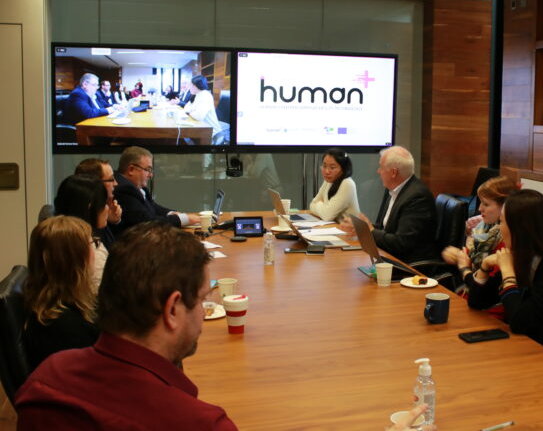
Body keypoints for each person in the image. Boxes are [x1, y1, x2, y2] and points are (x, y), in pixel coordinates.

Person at [16, 220, 435, 431]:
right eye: (203, 299)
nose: (205, 312)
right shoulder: (199, 423)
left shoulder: (44, 382)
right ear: (173, 309)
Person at [463, 189, 543, 369]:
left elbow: (520, 322)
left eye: (503, 222)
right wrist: (484, 267)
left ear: (519, 229)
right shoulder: (522, 257)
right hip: (528, 353)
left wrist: (507, 272)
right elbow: (476, 302)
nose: (499, 228)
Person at [22, 215, 100, 371]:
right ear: (74, 259)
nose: (95, 250)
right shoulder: (65, 329)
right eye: (92, 243)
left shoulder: (61, 305)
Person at [340, 146, 437, 263]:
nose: (378, 171)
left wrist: (370, 231)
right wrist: (364, 228)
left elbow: (402, 243)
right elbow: (386, 230)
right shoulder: (396, 190)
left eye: (381, 167)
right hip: (389, 258)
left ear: (393, 172)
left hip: (409, 267)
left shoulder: (417, 197)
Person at [442, 176, 518, 302]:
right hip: (470, 298)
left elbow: (483, 292)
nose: (479, 209)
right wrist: (459, 256)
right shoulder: (483, 229)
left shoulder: (505, 243)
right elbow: (471, 257)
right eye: (481, 202)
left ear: (506, 207)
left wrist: (464, 268)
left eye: (486, 204)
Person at [113, 146, 200, 235]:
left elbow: (152, 207)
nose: (150, 175)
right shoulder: (123, 189)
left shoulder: (136, 186)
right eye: (147, 170)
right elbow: (147, 222)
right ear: (131, 169)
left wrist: (173, 213)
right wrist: (184, 219)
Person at [54, 175, 110, 289]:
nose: (107, 208)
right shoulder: (90, 252)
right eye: (104, 203)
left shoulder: (57, 238)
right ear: (90, 208)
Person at [74, 158, 123, 250]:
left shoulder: (103, 210)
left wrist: (114, 221)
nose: (116, 183)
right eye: (111, 179)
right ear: (95, 183)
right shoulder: (80, 226)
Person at [309, 147, 360, 222]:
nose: (327, 171)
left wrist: (319, 205)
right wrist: (324, 207)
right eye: (324, 166)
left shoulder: (347, 183)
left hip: (349, 232)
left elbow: (327, 215)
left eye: (332, 167)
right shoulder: (328, 181)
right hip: (336, 229)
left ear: (343, 169)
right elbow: (311, 205)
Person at [183, 75, 222, 140]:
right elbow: (186, 108)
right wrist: (191, 111)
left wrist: (190, 112)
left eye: (191, 85)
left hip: (212, 133)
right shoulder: (196, 95)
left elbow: (199, 116)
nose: (189, 87)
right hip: (201, 128)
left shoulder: (205, 95)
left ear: (197, 85)